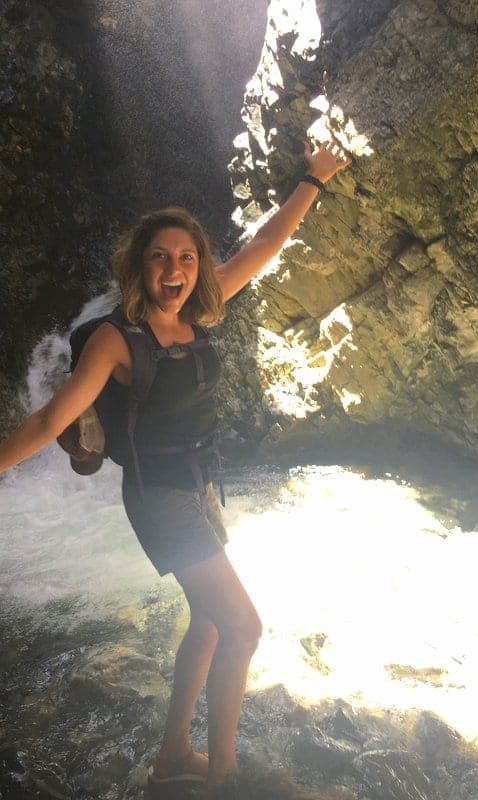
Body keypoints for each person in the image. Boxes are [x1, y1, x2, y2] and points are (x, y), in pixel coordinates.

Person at [0, 142, 351, 790]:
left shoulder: (200, 315)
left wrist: (313, 178)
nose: (176, 269)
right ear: (140, 267)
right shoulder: (115, 339)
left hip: (197, 488)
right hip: (159, 497)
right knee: (243, 627)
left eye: (187, 258)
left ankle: (171, 759)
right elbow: (52, 419)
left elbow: (265, 247)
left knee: (211, 626)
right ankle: (223, 775)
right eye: (161, 257)